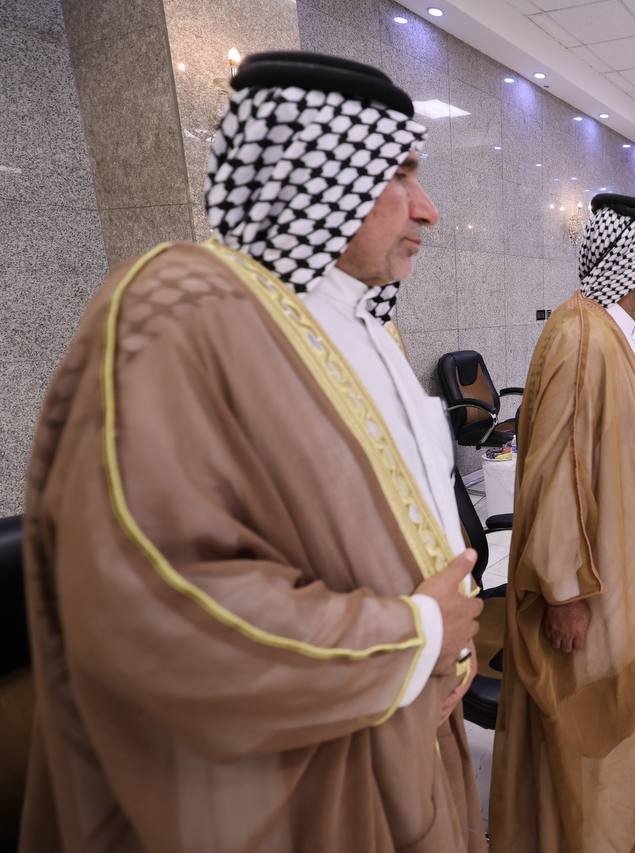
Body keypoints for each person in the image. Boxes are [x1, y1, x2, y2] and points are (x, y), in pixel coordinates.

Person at [19, 52, 487, 852]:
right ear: (314, 171)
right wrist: (413, 639)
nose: (428, 210)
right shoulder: (182, 307)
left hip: (399, 730)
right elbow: (159, 605)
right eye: (398, 173)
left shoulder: (365, 325)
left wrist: (441, 655)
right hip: (299, 782)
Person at [489, 194, 635, 852]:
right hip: (596, 590)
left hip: (633, 584)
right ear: (633, 260)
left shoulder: (622, 334)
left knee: (624, 727)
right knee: (589, 728)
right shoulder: (579, 335)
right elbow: (555, 470)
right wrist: (562, 591)